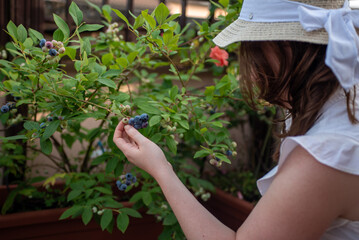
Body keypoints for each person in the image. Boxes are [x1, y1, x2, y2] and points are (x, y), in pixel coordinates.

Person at [113, 0, 359, 239]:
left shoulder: (324, 155)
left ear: (284, 46)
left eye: (253, 48)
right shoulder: (338, 93)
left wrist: (160, 168)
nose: (249, 67)